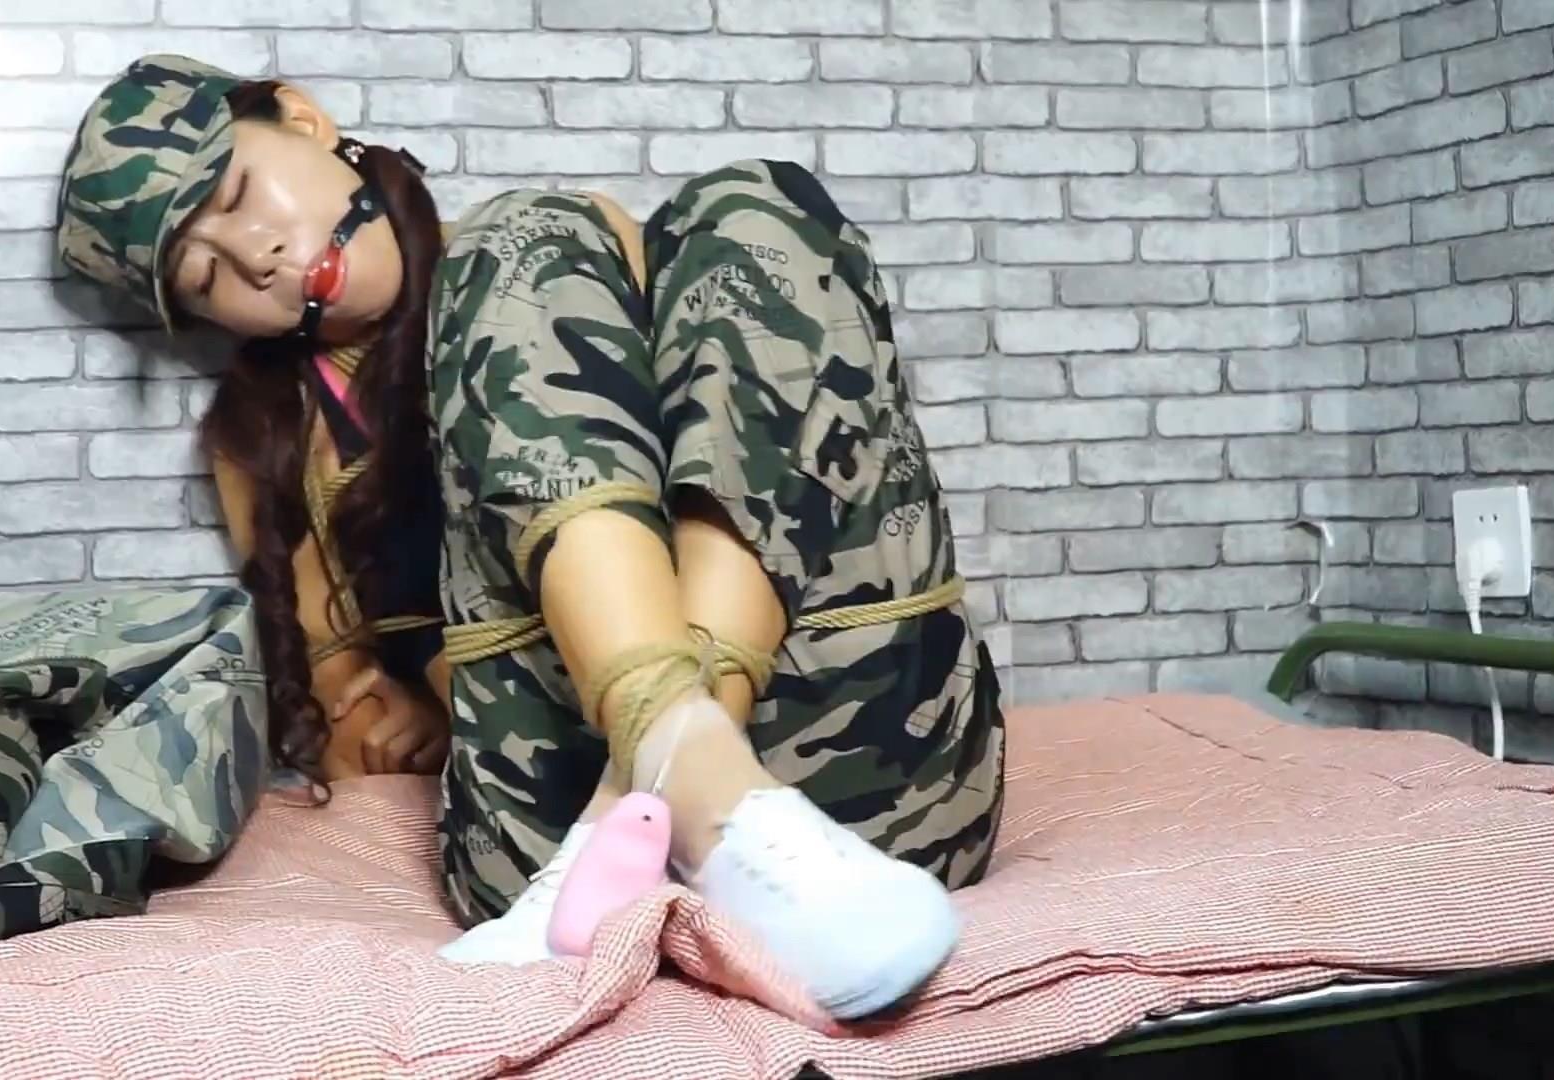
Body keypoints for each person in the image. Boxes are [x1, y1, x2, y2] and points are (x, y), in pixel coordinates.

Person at [54, 54, 1006, 1021]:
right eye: (206, 276)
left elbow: (766, 459)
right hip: (541, 810)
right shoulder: (267, 438)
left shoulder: (562, 256)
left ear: (301, 119)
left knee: (756, 203)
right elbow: (345, 718)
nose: (255, 257)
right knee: (523, 237)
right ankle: (693, 783)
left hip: (875, 771)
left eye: (237, 195)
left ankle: (670, 781)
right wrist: (423, 700)